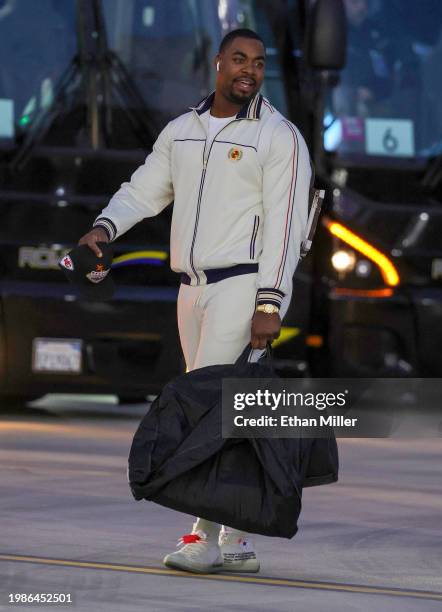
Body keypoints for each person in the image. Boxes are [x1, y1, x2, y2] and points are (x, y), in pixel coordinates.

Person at [78, 28, 312, 574]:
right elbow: (145, 188)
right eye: (238, 59)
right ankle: (234, 540)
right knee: (221, 411)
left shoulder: (281, 138)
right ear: (217, 65)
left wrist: (271, 301)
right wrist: (105, 227)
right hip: (191, 288)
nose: (248, 70)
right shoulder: (183, 130)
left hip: (244, 285)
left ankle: (201, 536)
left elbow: (285, 228)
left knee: (206, 408)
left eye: (257, 61)